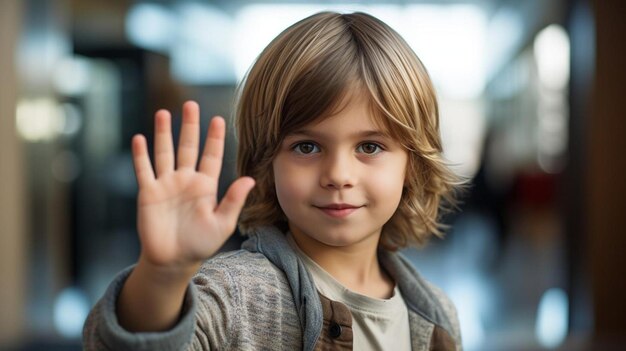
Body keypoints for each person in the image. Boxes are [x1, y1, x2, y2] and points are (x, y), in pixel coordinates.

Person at [83, 11, 463, 350]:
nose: (338, 176)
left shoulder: (437, 316)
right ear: (267, 163)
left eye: (369, 146)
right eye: (307, 147)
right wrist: (162, 276)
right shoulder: (232, 296)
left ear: (412, 163)